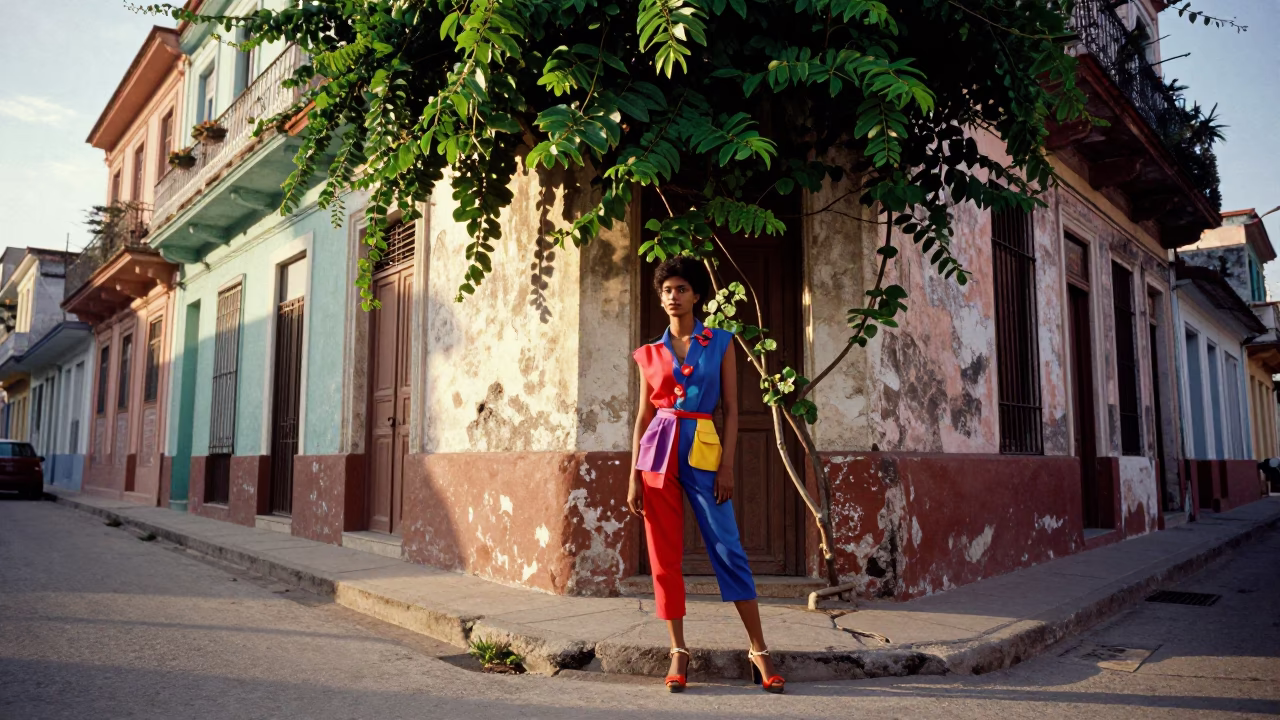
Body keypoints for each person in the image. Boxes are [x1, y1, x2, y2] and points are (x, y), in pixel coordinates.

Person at [628, 255, 785, 694]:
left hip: (704, 448)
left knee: (728, 547)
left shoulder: (721, 342)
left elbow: (732, 409)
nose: (673, 297)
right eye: (666, 291)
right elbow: (642, 416)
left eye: (681, 289)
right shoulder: (649, 353)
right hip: (657, 452)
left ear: (697, 295)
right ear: (660, 299)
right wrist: (632, 475)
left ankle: (758, 649)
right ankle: (678, 652)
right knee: (663, 554)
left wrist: (728, 465)